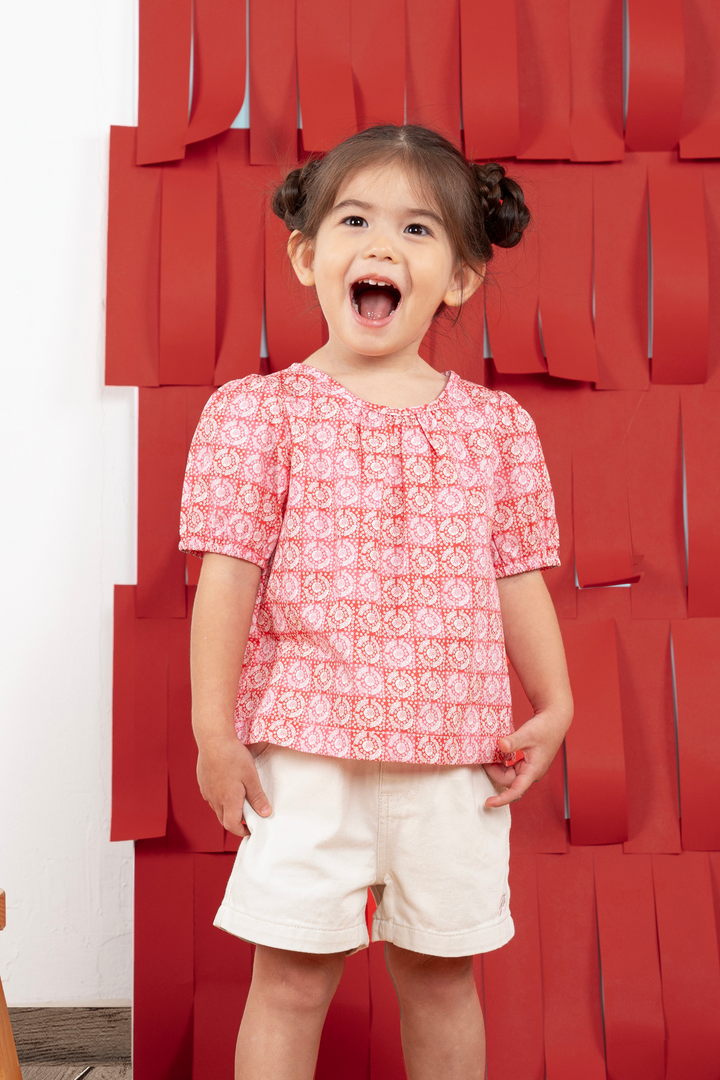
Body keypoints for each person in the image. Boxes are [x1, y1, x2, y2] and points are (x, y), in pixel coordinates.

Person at [179, 123, 573, 1080]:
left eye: (419, 230)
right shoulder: (257, 413)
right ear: (310, 256)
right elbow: (225, 577)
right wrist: (214, 729)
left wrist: (554, 702)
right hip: (305, 758)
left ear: (463, 277)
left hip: (455, 760)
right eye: (355, 220)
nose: (383, 247)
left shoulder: (496, 427)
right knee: (289, 981)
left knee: (441, 983)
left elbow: (517, 573)